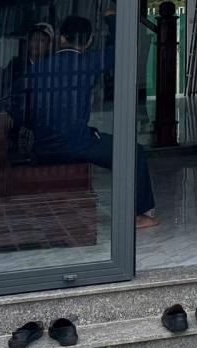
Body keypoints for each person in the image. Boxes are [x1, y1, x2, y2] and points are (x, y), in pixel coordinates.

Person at [17, 14, 157, 228]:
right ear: (89, 41)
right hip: (77, 144)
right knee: (133, 153)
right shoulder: (88, 62)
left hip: (42, 145)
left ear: (61, 38)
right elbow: (126, 48)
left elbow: (14, 104)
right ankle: (141, 215)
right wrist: (112, 19)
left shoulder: (38, 68)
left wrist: (34, 126)